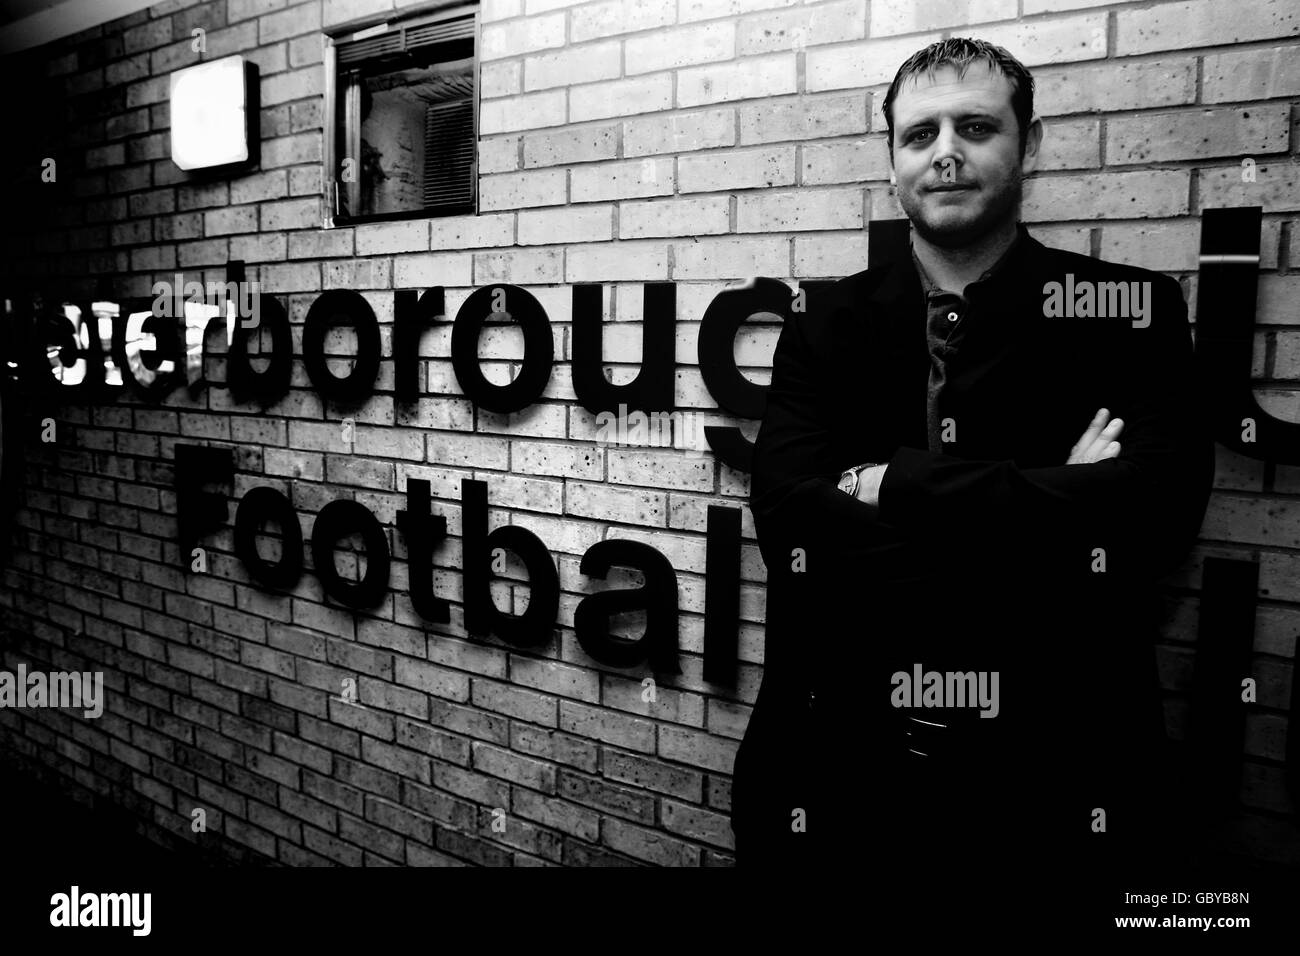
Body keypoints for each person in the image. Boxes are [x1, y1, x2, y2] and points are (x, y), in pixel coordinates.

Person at [730, 38, 1214, 899]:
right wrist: (1057, 501)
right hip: (839, 784)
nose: (945, 151)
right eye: (919, 135)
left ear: (1028, 145)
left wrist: (892, 485)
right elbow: (792, 525)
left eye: (976, 126)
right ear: (892, 165)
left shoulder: (1127, 312)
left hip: (1054, 794)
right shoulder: (823, 321)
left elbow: (1155, 520)